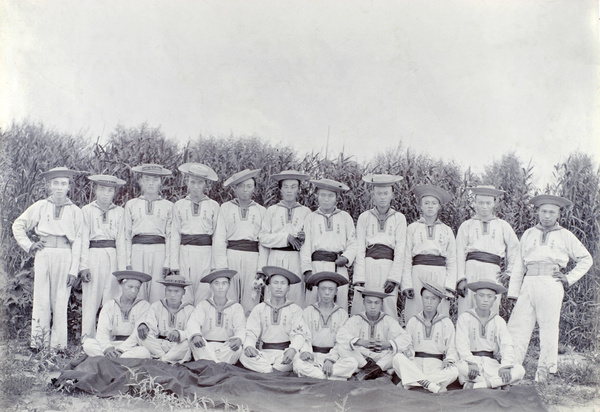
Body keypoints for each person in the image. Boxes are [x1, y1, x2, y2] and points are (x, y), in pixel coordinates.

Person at [507, 194, 592, 382]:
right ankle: (512, 368)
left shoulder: (565, 235)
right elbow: (519, 265)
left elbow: (586, 259)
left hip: (551, 283)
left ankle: (544, 372)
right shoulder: (529, 234)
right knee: (518, 325)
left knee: (548, 326)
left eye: (551, 212)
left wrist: (568, 278)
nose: (547, 216)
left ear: (558, 214)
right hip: (529, 282)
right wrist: (513, 292)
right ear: (537, 212)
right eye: (543, 211)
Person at [12, 166, 84, 350]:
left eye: (63, 183)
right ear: (49, 186)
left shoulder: (76, 211)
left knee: (60, 300)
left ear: (69, 187)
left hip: (65, 256)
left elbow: (79, 242)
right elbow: (18, 225)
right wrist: (30, 245)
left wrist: (73, 270)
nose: (59, 187)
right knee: (41, 298)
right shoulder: (41, 206)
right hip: (44, 254)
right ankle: (38, 343)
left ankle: (58, 346)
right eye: (55, 183)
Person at [456, 186, 520, 315]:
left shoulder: (502, 225)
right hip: (471, 270)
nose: (484, 206)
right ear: (475, 203)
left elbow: (515, 249)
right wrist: (461, 278)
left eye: (488, 203)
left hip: (492, 271)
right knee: (466, 309)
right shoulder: (467, 225)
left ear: (494, 203)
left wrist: (509, 272)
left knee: (490, 309)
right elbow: (458, 252)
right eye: (480, 203)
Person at [79, 174, 127, 340]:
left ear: (114, 192)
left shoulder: (120, 212)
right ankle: (87, 337)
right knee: (91, 298)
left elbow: (122, 241)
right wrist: (83, 265)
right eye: (102, 189)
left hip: (112, 256)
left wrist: (122, 270)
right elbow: (83, 239)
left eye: (110, 190)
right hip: (94, 255)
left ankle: (107, 337)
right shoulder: (87, 210)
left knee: (111, 297)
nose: (106, 194)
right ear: (96, 190)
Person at [352, 174, 406, 319]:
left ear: (392, 195)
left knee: (388, 306)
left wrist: (394, 278)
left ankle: (388, 340)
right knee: (363, 306)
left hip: (388, 266)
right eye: (379, 193)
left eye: (386, 193)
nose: (382, 197)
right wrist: (359, 277)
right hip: (368, 264)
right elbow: (359, 248)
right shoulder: (365, 217)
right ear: (373, 195)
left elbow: (400, 250)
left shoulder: (399, 218)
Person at [213, 169, 267, 315]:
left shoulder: (261, 211)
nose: (245, 190)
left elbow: (263, 241)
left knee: (251, 299)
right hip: (231, 256)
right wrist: (221, 267)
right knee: (229, 298)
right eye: (241, 186)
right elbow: (220, 238)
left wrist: (261, 268)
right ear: (235, 188)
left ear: (254, 188)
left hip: (253, 258)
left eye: (249, 186)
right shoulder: (225, 208)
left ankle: (248, 334)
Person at [401, 185, 457, 322]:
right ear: (420, 206)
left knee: (439, 311)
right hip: (418, 273)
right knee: (415, 311)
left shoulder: (447, 230)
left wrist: (449, 285)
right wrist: (407, 284)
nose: (430, 207)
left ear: (439, 206)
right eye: (426, 203)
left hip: (440, 274)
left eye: (434, 203)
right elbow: (407, 257)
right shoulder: (412, 228)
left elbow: (452, 260)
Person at [455, 281, 525, 390]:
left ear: (495, 299)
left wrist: (505, 366)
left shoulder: (498, 320)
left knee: (519, 370)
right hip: (471, 364)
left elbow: (507, 345)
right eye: (481, 295)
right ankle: (498, 383)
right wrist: (471, 362)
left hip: (491, 363)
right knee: (459, 368)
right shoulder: (465, 317)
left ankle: (479, 385)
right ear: (475, 297)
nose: (485, 300)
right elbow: (461, 344)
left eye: (489, 296)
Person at [240, 266, 310, 373]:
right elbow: (251, 332)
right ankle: (273, 371)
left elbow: (299, 334)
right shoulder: (259, 308)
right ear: (268, 287)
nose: (279, 287)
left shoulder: (295, 309)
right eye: (275, 283)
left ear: (288, 288)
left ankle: (267, 371)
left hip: (286, 353)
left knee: (297, 359)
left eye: (283, 283)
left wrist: (293, 349)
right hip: (264, 353)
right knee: (243, 355)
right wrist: (249, 346)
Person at [392, 282, 458, 393]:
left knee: (454, 371)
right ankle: (432, 386)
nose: (429, 302)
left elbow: (451, 347)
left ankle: (411, 382)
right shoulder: (413, 321)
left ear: (439, 301)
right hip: (415, 363)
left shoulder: (446, 322)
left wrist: (449, 360)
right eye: (426, 298)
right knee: (397, 358)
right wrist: (408, 352)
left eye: (433, 299)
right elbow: (408, 344)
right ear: (421, 298)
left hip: (436, 365)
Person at [301, 178, 357, 311]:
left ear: (336, 198)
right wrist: (307, 271)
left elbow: (353, 243)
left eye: (330, 196)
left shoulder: (344, 217)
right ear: (317, 196)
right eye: (323, 195)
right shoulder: (311, 218)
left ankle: (339, 331)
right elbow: (305, 246)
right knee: (312, 304)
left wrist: (346, 258)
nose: (326, 199)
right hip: (316, 266)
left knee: (339, 304)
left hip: (338, 265)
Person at [259, 170, 311, 307]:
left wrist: (304, 236)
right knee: (274, 293)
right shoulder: (272, 210)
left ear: (298, 189)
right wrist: (285, 237)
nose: (289, 190)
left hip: (296, 258)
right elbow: (263, 237)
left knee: (295, 296)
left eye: (293, 187)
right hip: (276, 257)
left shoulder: (305, 212)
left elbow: (310, 240)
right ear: (280, 189)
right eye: (286, 187)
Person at [293, 271, 359, 380]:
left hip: (333, 357)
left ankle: (318, 375)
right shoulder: (308, 311)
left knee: (352, 363)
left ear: (336, 291)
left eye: (331, 289)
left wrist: (330, 359)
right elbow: (302, 335)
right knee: (298, 364)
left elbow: (341, 341)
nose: (327, 293)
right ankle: (329, 376)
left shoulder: (342, 313)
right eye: (323, 289)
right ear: (318, 290)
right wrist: (305, 351)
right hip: (312, 355)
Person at [170, 163, 220, 305]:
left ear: (205, 184)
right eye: (192, 182)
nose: (196, 186)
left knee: (204, 293)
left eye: (200, 183)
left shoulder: (213, 205)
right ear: (187, 183)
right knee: (185, 294)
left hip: (206, 253)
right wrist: (174, 264)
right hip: (185, 252)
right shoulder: (179, 205)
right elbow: (175, 235)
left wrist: (216, 264)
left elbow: (217, 236)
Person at [336, 287, 411, 381]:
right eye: (369, 302)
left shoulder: (388, 320)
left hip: (381, 356)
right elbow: (341, 334)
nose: (373, 306)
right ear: (364, 303)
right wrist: (361, 342)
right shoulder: (357, 319)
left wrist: (388, 344)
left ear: (381, 304)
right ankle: (375, 370)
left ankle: (369, 371)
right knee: (341, 347)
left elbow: (406, 338)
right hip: (363, 357)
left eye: (376, 303)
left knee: (401, 351)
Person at [124, 163, 174, 304]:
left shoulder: (169, 206)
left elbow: (171, 236)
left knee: (157, 292)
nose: (151, 183)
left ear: (160, 182)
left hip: (159, 251)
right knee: (137, 291)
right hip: (137, 250)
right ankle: (138, 325)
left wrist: (168, 262)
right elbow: (126, 236)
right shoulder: (131, 204)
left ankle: (155, 325)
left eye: (155, 180)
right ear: (141, 182)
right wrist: (127, 262)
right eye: (147, 179)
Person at [82, 270, 153, 359]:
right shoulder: (110, 305)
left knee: (144, 352)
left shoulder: (144, 306)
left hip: (132, 346)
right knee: (88, 344)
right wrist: (107, 348)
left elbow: (136, 334)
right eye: (130, 287)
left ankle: (109, 360)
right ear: (121, 285)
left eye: (137, 288)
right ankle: (118, 360)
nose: (134, 291)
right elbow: (102, 331)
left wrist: (121, 350)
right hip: (112, 344)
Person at [186, 269, 246, 364]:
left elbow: (240, 327)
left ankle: (210, 362)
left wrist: (239, 338)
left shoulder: (236, 307)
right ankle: (219, 364)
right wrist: (196, 334)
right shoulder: (203, 305)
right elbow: (194, 322)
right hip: (205, 345)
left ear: (229, 286)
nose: (220, 287)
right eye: (216, 283)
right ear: (211, 286)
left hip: (226, 347)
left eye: (224, 283)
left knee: (237, 349)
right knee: (194, 343)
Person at [136, 275, 195, 363]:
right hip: (158, 344)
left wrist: (179, 333)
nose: (172, 295)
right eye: (169, 291)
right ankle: (165, 358)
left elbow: (191, 329)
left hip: (177, 346)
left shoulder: (190, 309)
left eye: (177, 291)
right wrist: (145, 326)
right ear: (165, 291)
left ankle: (162, 359)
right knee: (142, 334)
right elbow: (150, 326)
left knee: (188, 343)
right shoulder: (156, 306)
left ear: (184, 292)